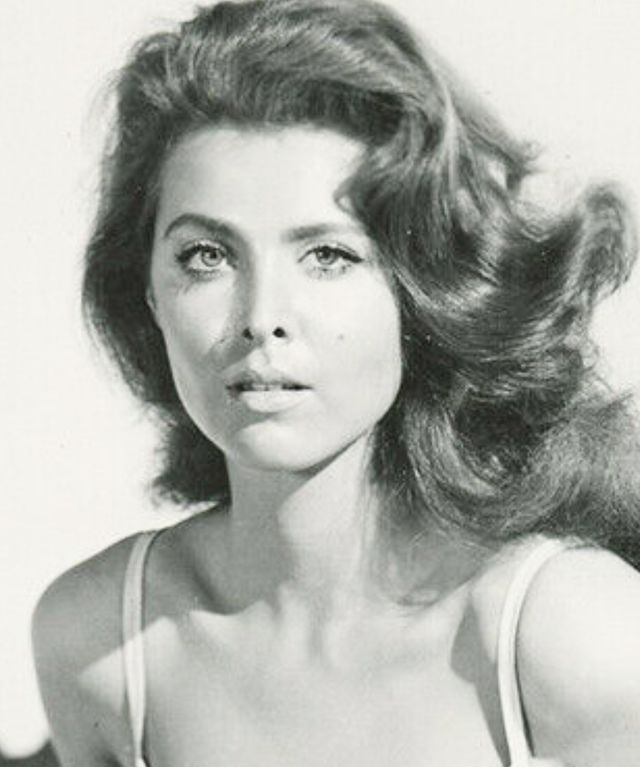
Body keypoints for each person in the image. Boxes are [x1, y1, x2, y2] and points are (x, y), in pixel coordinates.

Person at [32, 0, 640, 765]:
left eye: (328, 256)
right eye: (207, 256)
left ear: (421, 288)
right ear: (148, 291)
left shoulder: (569, 638)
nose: (261, 318)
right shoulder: (100, 645)